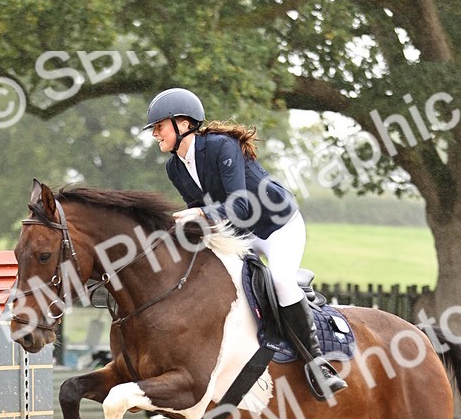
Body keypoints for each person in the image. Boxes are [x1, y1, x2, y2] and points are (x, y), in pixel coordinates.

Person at [144, 87, 346, 397]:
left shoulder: (221, 147)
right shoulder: (174, 167)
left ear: (182, 123)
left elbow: (240, 207)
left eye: (159, 126)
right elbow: (214, 219)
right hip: (239, 231)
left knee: (279, 279)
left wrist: (197, 212)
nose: (155, 133)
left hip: (276, 225)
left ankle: (317, 363)